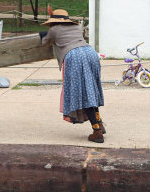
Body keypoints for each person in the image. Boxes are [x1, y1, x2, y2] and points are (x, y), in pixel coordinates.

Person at [39, 9, 105, 143]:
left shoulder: (54, 30)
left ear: (53, 21)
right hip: (90, 53)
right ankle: (100, 124)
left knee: (84, 93)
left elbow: (45, 42)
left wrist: (43, 35)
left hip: (75, 57)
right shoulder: (76, 27)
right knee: (90, 90)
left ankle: (97, 131)